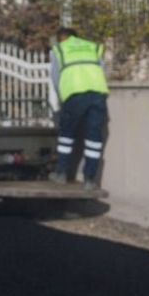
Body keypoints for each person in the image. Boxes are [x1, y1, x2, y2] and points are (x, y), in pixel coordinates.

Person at [48, 27, 109, 191]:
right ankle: (90, 180)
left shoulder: (59, 49)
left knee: (67, 135)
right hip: (98, 93)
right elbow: (102, 70)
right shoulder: (92, 47)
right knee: (94, 138)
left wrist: (62, 98)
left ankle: (60, 173)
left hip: (74, 93)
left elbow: (55, 76)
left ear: (61, 38)